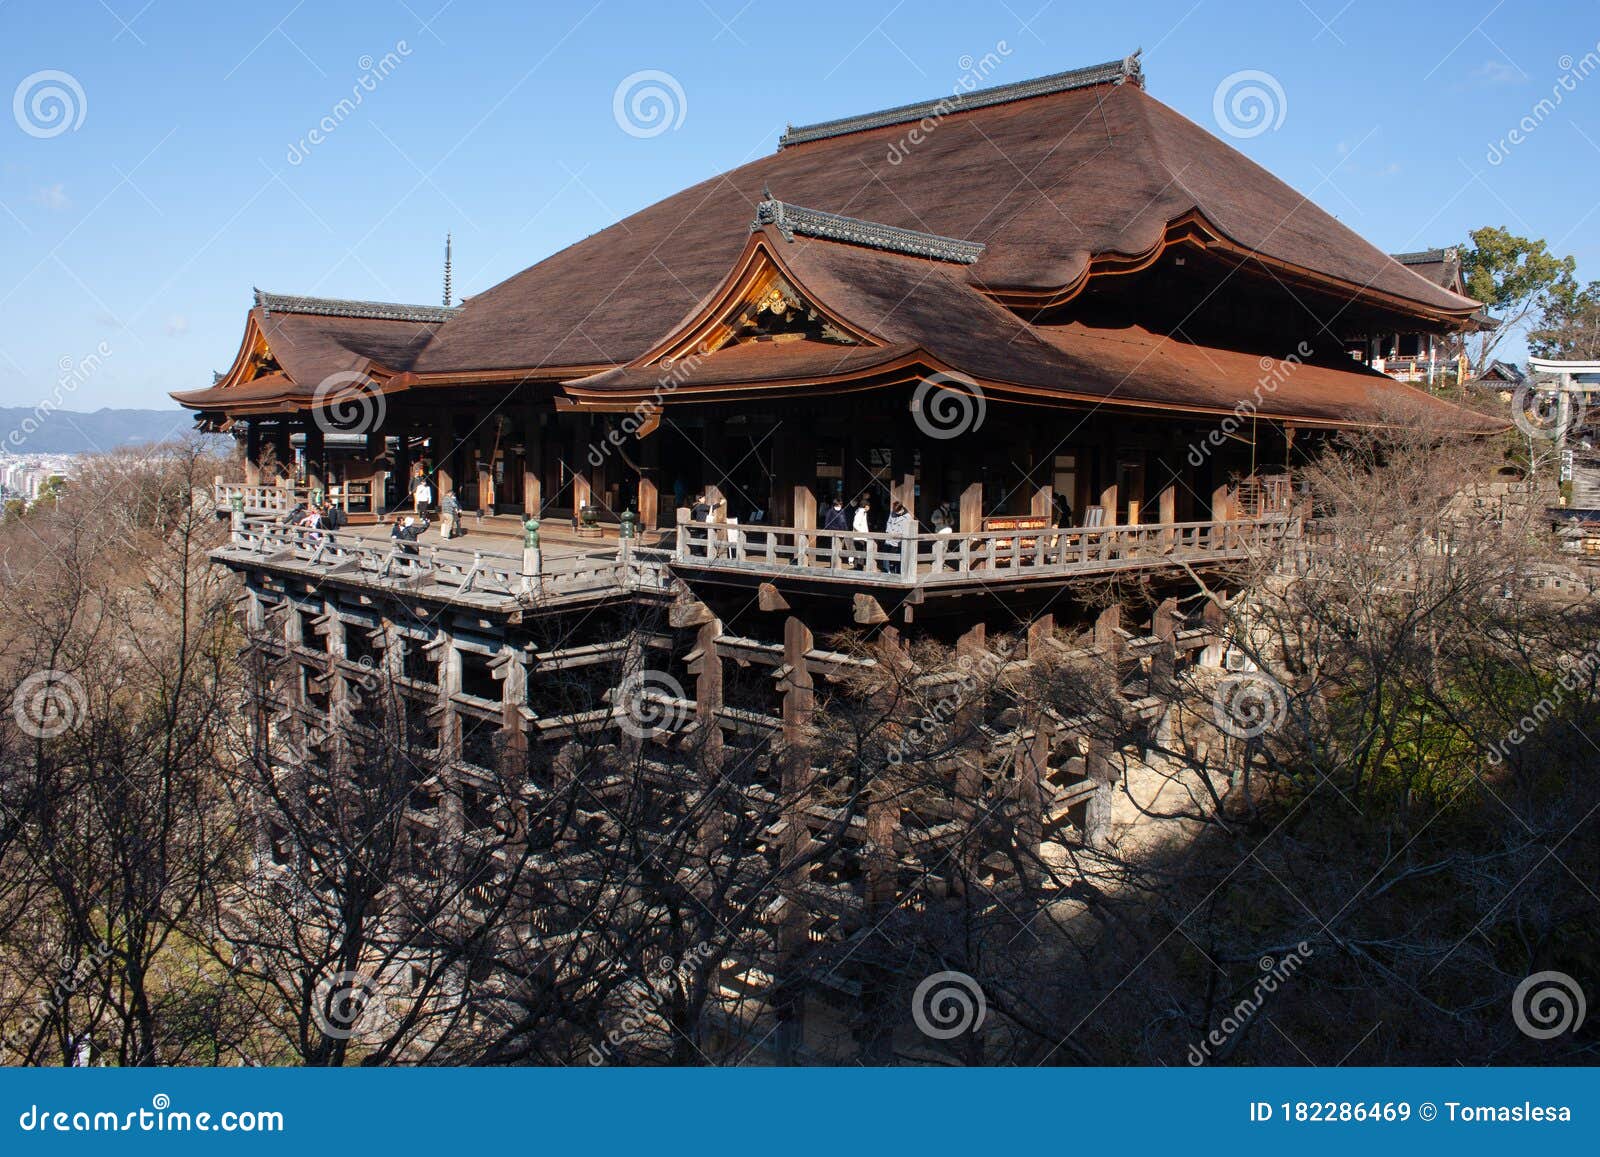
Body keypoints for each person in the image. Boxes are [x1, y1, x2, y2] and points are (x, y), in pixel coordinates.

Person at [884, 500, 913, 574]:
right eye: (895, 511)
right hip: (890, 537)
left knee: (898, 557)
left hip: (899, 540)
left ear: (901, 509)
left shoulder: (908, 517)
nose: (896, 513)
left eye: (897, 511)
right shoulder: (892, 513)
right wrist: (889, 532)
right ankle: (889, 570)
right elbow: (889, 522)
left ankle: (898, 573)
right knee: (888, 555)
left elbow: (909, 529)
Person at [822, 497, 849, 567]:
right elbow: (827, 524)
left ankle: (838, 564)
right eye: (838, 505)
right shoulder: (830, 512)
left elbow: (844, 522)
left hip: (843, 533)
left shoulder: (842, 511)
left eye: (840, 505)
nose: (839, 506)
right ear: (834, 505)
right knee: (834, 550)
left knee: (841, 549)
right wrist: (836, 529)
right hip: (834, 534)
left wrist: (846, 530)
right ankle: (833, 565)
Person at [852, 498, 873, 571]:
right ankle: (859, 567)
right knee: (861, 552)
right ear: (866, 506)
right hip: (860, 536)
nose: (869, 508)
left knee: (859, 552)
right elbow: (855, 524)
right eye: (868, 506)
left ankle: (858, 567)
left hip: (860, 536)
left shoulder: (862, 512)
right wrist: (862, 533)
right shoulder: (860, 512)